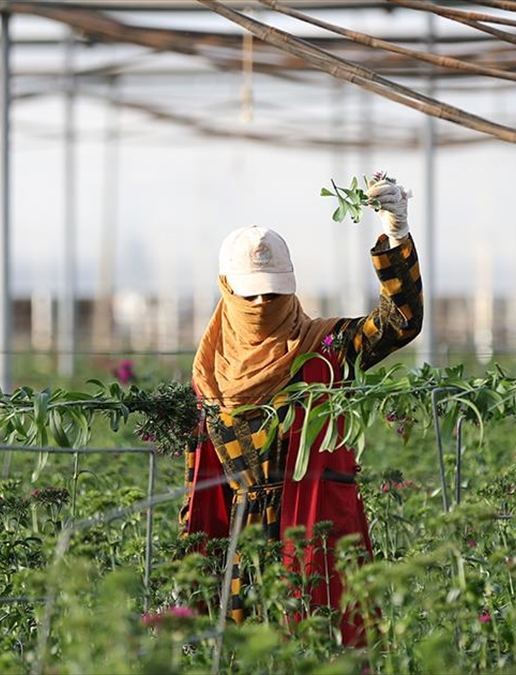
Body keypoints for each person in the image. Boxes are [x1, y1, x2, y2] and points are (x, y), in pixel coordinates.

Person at [180, 177, 423, 647]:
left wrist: (396, 237)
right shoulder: (209, 371)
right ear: (227, 289)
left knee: (316, 645)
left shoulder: (324, 349)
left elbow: (400, 323)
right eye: (249, 295)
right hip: (234, 543)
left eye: (271, 294)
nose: (260, 304)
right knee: (237, 654)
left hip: (309, 531)